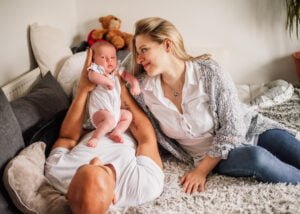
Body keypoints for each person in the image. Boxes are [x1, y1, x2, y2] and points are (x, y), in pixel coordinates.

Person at [130, 17, 300, 194]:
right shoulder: (142, 90)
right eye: (137, 53)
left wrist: (200, 173)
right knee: (257, 157)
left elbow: (233, 128)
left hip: (252, 128)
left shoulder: (209, 72)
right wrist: (201, 169)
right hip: (214, 155)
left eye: (144, 50)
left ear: (167, 45)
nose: (140, 59)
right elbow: (113, 85)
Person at [45, 48, 164, 213]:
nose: (95, 159)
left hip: (90, 113)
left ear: (67, 194)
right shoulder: (144, 186)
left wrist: (83, 89)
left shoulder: (57, 173)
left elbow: (67, 137)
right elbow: (147, 139)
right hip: (124, 121)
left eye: (83, 167)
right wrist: (121, 88)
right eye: (103, 168)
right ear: (113, 199)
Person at [86, 41, 140, 147]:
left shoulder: (116, 69)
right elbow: (92, 76)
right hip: (99, 112)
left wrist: (134, 84)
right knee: (109, 120)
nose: (109, 60)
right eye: (103, 57)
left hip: (114, 111)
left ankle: (117, 132)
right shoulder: (96, 69)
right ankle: (95, 138)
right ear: (93, 59)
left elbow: (127, 75)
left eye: (113, 57)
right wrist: (106, 81)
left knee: (127, 115)